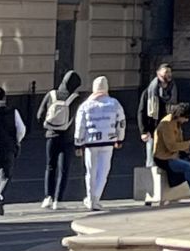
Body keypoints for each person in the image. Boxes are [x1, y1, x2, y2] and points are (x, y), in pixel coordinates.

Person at [73, 76, 126, 211]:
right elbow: (121, 123)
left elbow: (80, 126)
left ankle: (90, 199)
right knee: (103, 171)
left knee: (91, 171)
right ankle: (96, 198)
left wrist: (78, 143)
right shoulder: (114, 104)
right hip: (108, 141)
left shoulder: (85, 106)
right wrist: (119, 139)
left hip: (91, 142)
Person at [37, 70, 82, 209]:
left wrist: (49, 126)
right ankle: (58, 200)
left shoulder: (51, 95)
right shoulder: (76, 98)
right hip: (67, 138)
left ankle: (48, 197)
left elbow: (39, 115)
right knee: (63, 170)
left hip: (51, 136)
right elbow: (79, 120)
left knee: (50, 166)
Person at [137, 62, 177, 206]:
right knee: (151, 163)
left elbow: (177, 110)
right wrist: (143, 131)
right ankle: (149, 195)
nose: (168, 75)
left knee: (169, 162)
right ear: (158, 74)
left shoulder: (173, 90)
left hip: (168, 132)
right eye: (165, 72)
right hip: (153, 132)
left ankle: (165, 195)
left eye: (169, 72)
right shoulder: (149, 91)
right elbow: (141, 112)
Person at [0, 86, 21, 214]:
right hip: (8, 147)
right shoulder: (12, 112)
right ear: (4, 98)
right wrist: (16, 141)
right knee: (5, 175)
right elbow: (21, 129)